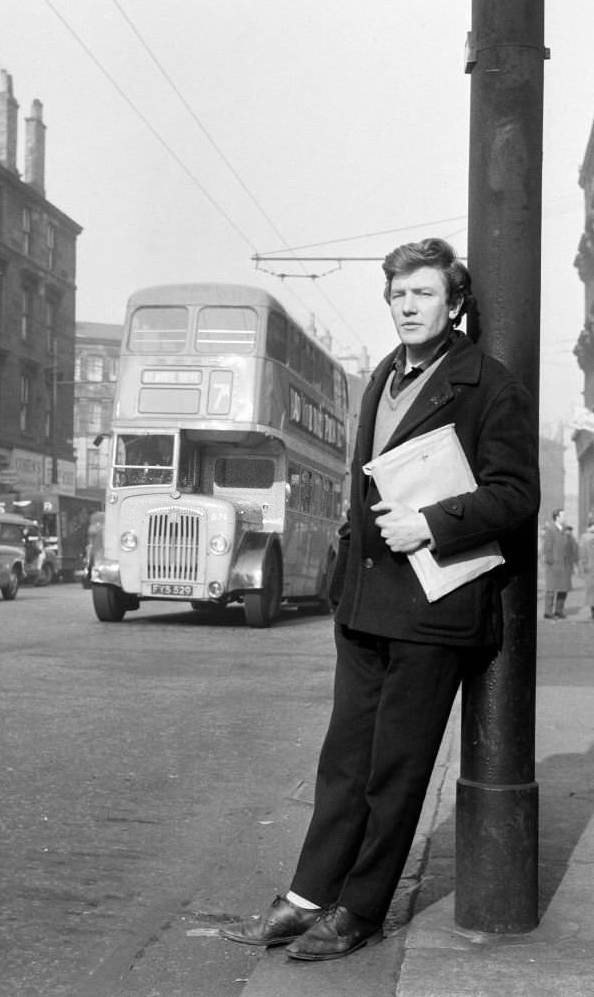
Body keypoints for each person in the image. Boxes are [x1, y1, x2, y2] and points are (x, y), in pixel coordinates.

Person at [219, 238, 540, 961]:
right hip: (364, 602)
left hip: (432, 606)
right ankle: (307, 896)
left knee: (397, 768)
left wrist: (431, 521)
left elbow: (518, 494)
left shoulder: (488, 386)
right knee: (343, 760)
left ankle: (360, 908)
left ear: (454, 303)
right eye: (398, 294)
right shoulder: (382, 379)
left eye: (423, 294)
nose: (407, 306)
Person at [542, 507, 573, 619]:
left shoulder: (565, 530)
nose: (565, 518)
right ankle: (548, 612)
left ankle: (559, 611)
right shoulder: (550, 530)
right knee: (551, 589)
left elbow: (570, 547)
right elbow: (547, 548)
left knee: (563, 589)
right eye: (563, 516)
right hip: (554, 566)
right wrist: (551, 562)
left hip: (564, 566)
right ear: (557, 517)